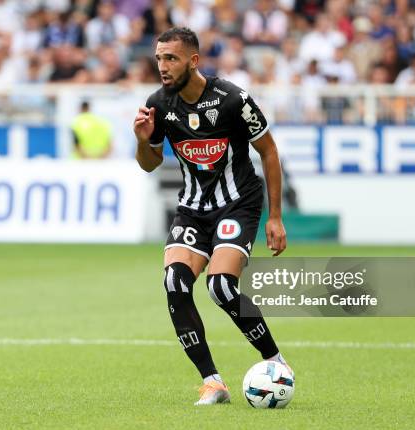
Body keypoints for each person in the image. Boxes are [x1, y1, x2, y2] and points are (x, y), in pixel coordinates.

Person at [133, 27, 288, 406]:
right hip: (192, 209)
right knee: (175, 282)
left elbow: (268, 151)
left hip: (238, 204)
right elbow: (150, 164)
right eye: (159, 59)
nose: (163, 66)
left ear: (193, 60)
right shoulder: (159, 103)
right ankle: (213, 382)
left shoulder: (233, 99)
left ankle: (276, 363)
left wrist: (275, 217)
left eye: (171, 58)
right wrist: (142, 139)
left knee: (220, 287)